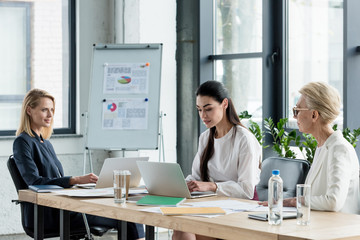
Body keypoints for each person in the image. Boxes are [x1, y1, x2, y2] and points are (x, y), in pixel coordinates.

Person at [13, 89, 144, 239]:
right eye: (44, 110)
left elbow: (55, 180)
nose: (50, 115)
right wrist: (74, 180)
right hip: (49, 213)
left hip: (62, 206)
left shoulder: (45, 142)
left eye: (52, 110)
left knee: (130, 214)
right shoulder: (23, 142)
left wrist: (83, 185)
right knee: (127, 217)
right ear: (29, 110)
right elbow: (34, 181)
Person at [172, 81, 262, 240]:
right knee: (180, 228)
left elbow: (247, 190)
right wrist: (182, 184)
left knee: (184, 229)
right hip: (213, 205)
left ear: (224, 104)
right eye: (199, 110)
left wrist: (212, 186)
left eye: (208, 109)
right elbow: (196, 177)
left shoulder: (244, 139)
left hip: (241, 209)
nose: (203, 116)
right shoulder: (205, 138)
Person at [261, 81, 360, 214]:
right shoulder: (323, 147)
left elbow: (334, 201)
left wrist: (293, 201)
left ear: (314, 115)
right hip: (318, 225)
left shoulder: (339, 149)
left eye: (297, 110)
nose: (294, 116)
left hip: (336, 230)